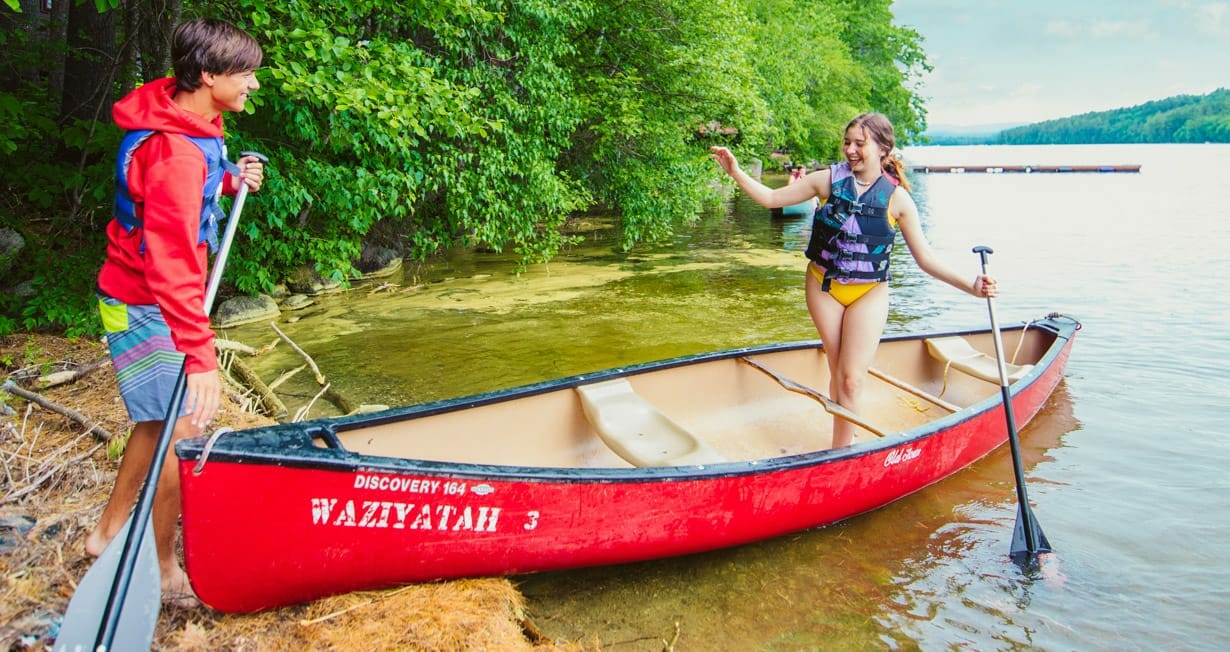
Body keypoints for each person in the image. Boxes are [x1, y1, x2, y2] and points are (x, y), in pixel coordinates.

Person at [85, 18, 265, 609]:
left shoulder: (187, 115)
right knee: (182, 430)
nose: (254, 86)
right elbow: (170, 265)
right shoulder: (176, 154)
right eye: (246, 75)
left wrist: (232, 178)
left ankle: (107, 532)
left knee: (157, 421)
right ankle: (163, 567)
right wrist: (200, 354)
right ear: (208, 76)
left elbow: (188, 192)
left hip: (144, 297)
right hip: (142, 305)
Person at [711, 112, 996, 449]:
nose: (850, 149)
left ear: (883, 149)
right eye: (847, 142)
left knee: (850, 377)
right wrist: (735, 171)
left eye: (860, 143)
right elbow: (772, 199)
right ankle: (843, 447)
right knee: (839, 372)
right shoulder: (827, 180)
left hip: (869, 293)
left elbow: (926, 259)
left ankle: (841, 451)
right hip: (824, 287)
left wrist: (973, 287)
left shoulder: (898, 199)